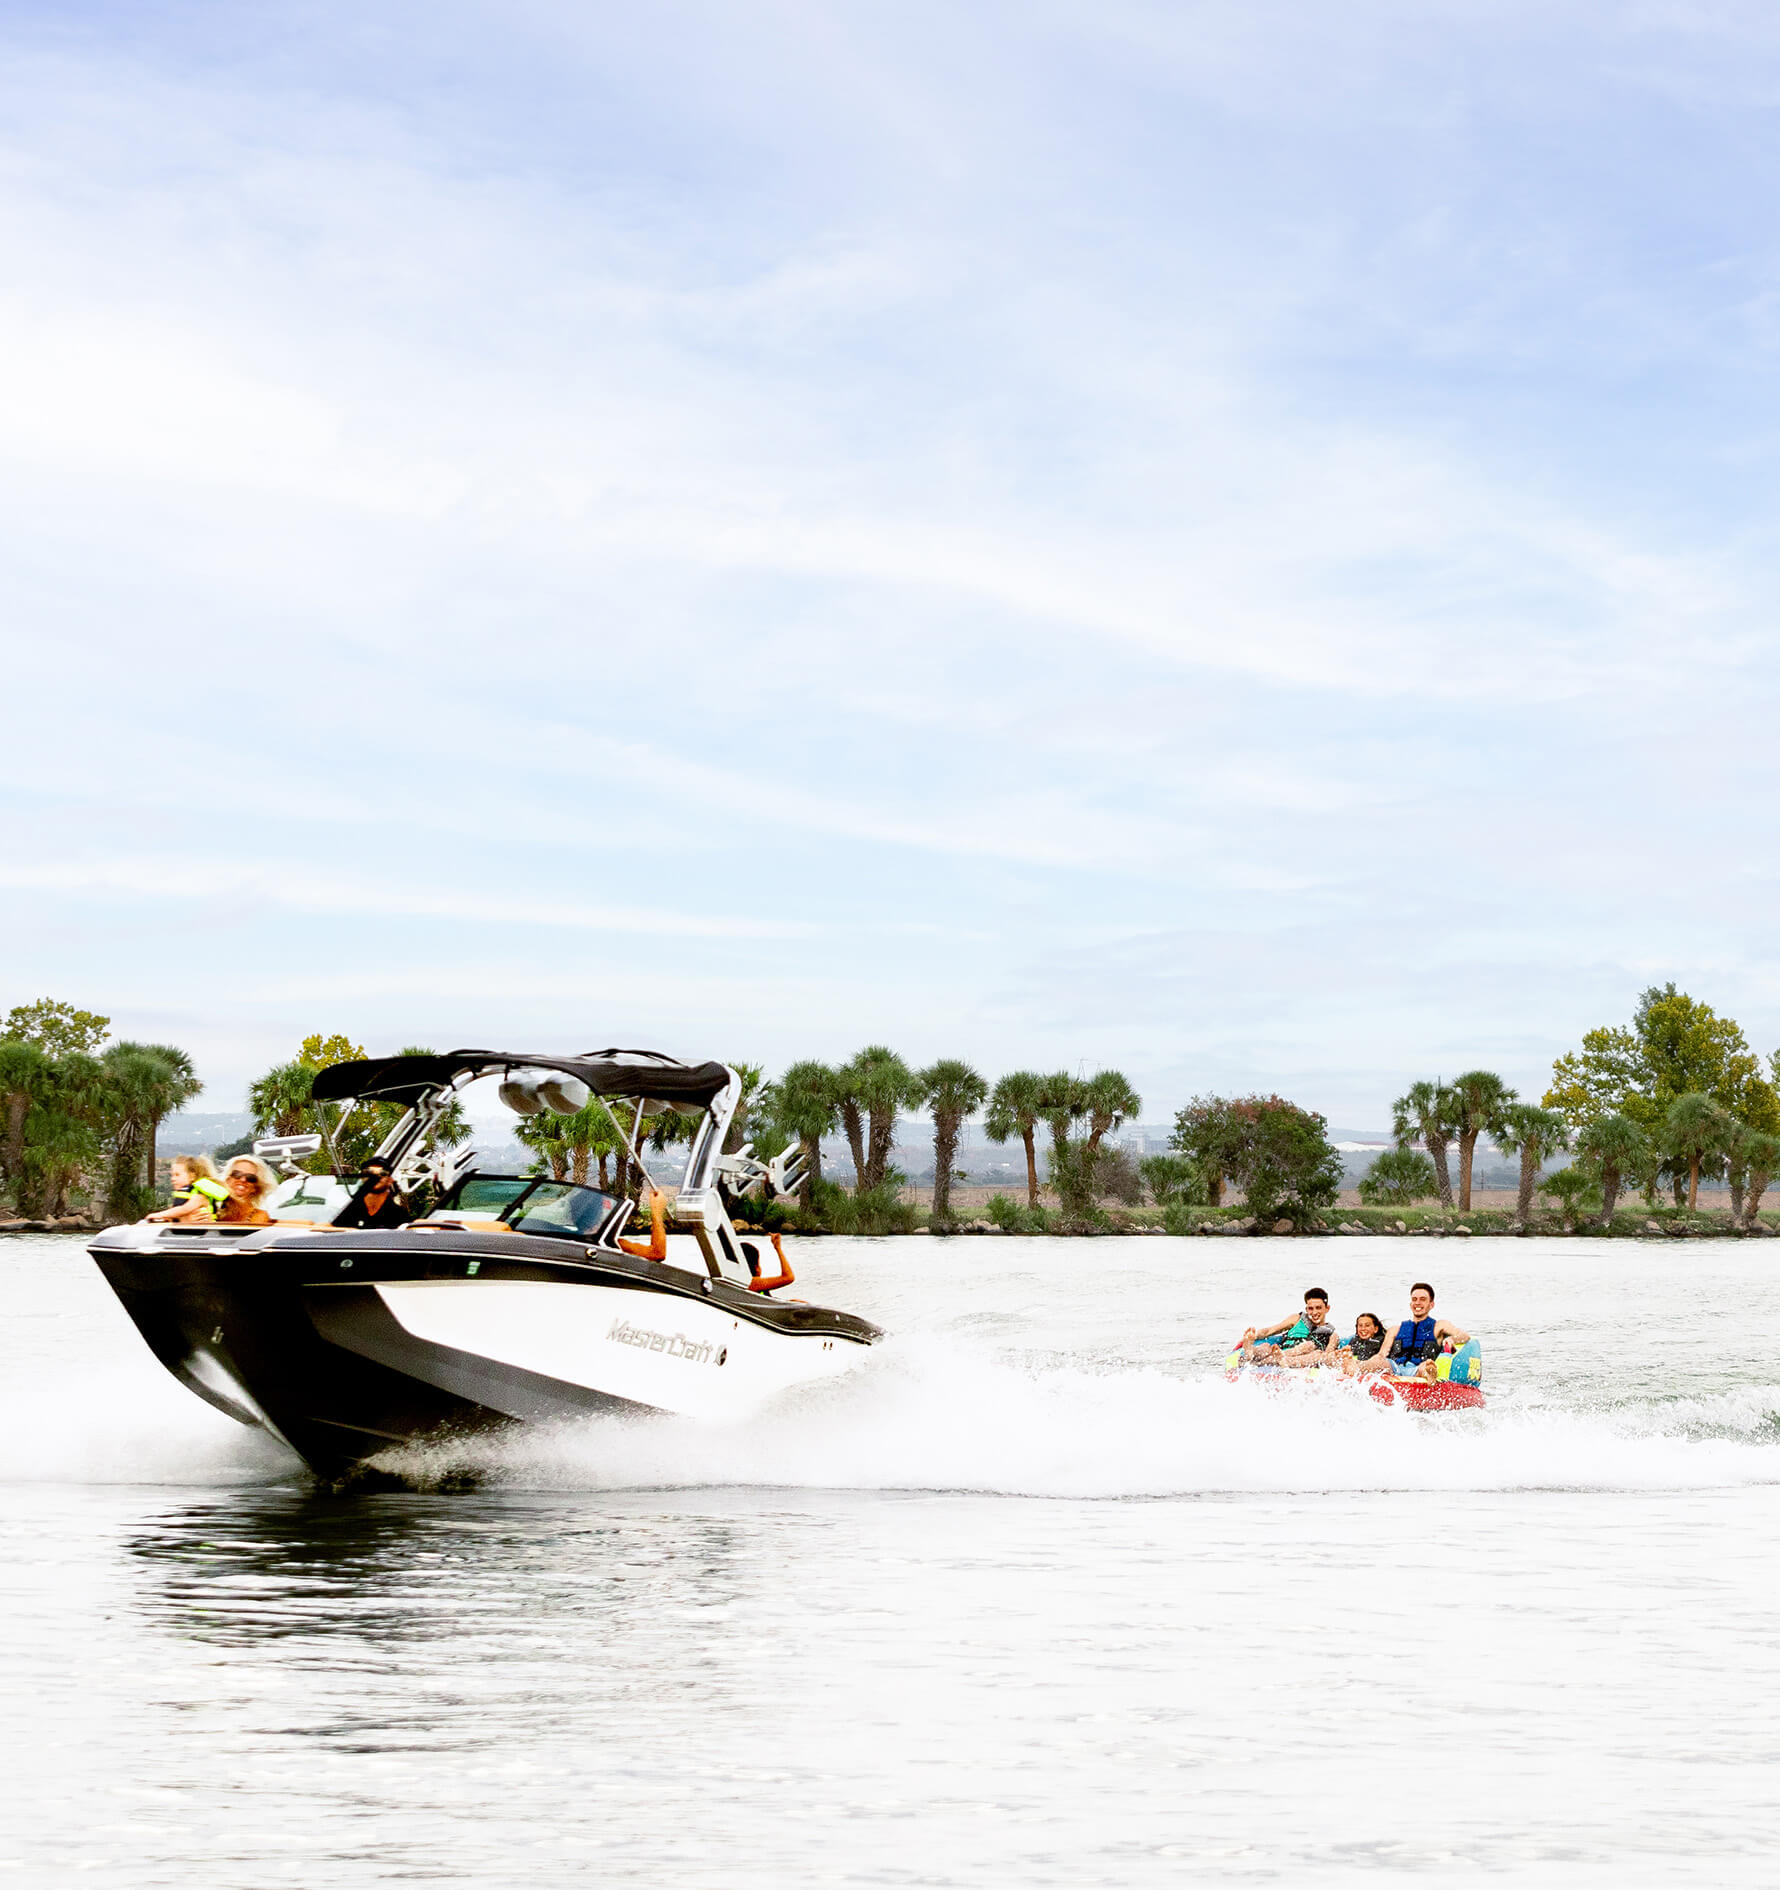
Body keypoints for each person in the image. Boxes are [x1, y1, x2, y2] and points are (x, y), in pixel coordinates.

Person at [1358, 1282, 1471, 1383]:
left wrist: (1452, 1339)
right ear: (1410, 1304)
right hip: (1396, 1368)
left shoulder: (1439, 1326)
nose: (1417, 1303)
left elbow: (1464, 1336)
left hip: (1420, 1368)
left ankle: (1430, 1374)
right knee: (1379, 1361)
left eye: (1423, 1299)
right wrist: (1373, 1362)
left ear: (1431, 1304)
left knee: (1425, 1367)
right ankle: (1353, 1367)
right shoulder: (1395, 1330)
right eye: (1414, 1299)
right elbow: (1382, 1354)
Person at [1239, 1289, 1337, 1368]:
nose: (1314, 1312)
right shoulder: (1296, 1319)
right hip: (1280, 1351)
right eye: (1311, 1308)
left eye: (1318, 1308)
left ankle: (1279, 1360)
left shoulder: (1332, 1334)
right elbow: (1270, 1330)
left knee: (1315, 1353)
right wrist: (1255, 1334)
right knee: (1266, 1346)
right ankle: (1250, 1351)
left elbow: (1327, 1356)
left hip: (1301, 1358)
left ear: (1327, 1308)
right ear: (1306, 1309)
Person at [146, 1154, 230, 1224]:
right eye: (172, 1175)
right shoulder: (185, 1194)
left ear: (192, 1176)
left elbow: (184, 1209)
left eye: (177, 1175)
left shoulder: (199, 1197)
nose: (172, 1179)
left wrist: (159, 1215)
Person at [333, 1159, 415, 1230]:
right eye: (369, 1172)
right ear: (362, 1178)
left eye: (382, 1173)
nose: (375, 1177)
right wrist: (349, 1230)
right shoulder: (350, 1210)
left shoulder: (398, 1214)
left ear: (390, 1180)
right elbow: (326, 1228)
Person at [217, 1155, 277, 1225]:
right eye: (237, 1174)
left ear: (255, 1188)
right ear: (228, 1179)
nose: (243, 1180)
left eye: (250, 1178)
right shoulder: (212, 1209)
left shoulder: (260, 1217)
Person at [1335, 1311, 1388, 1376]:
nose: (1363, 1329)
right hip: (1357, 1366)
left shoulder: (1382, 1341)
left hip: (1376, 1366)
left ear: (1375, 1329)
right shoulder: (1354, 1340)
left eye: (1367, 1325)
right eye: (1360, 1326)